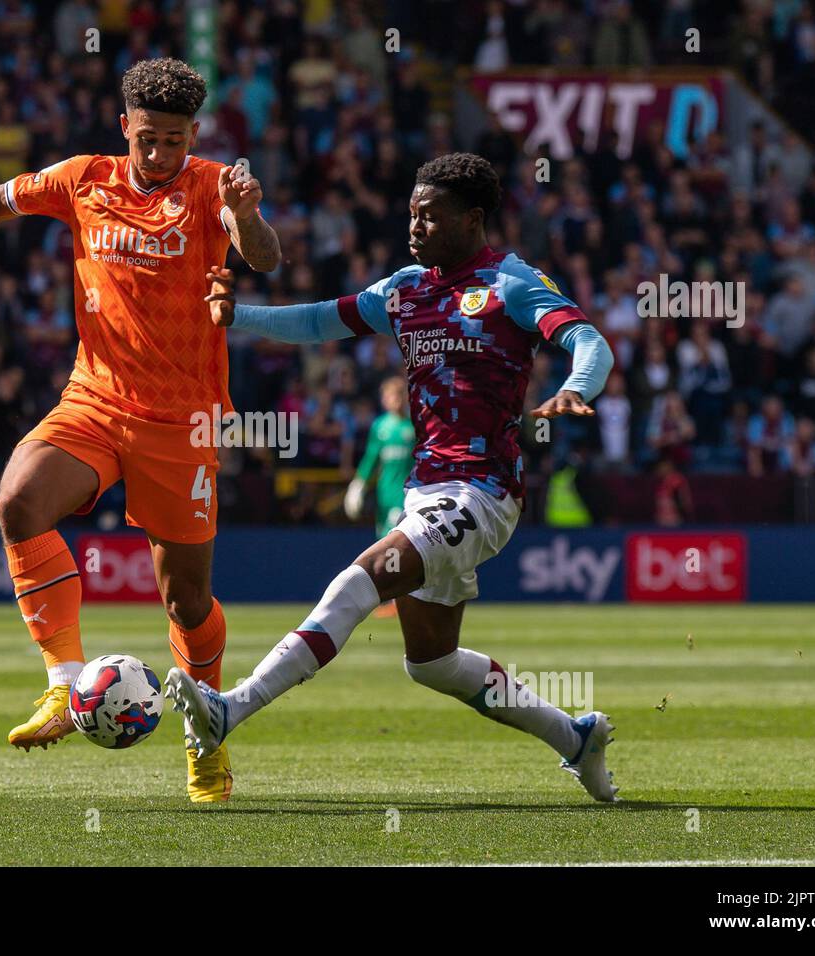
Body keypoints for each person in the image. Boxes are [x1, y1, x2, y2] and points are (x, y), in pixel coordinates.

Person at [169, 153, 620, 802]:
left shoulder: (510, 283)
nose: (415, 226)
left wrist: (579, 386)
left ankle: (228, 710)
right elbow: (323, 319)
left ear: (472, 219)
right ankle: (576, 738)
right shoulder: (406, 289)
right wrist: (240, 317)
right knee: (432, 664)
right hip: (425, 491)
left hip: (483, 492)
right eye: (411, 213)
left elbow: (588, 340)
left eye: (430, 216)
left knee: (357, 581)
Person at [0, 58, 280, 802]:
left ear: (195, 135)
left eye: (176, 141)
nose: (160, 155)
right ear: (125, 127)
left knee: (186, 601)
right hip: (95, 398)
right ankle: (63, 685)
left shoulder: (215, 185)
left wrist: (247, 216)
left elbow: (265, 257)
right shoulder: (84, 176)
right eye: (148, 139)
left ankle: (204, 738)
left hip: (181, 421)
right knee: (17, 500)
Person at [344, 376, 413, 617]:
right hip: (384, 494)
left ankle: (397, 600)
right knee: (383, 541)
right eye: (390, 396)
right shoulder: (381, 427)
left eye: (398, 395)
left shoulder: (414, 426)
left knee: (395, 544)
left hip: (406, 496)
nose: (394, 400)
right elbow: (371, 458)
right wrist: (358, 484)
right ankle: (394, 599)